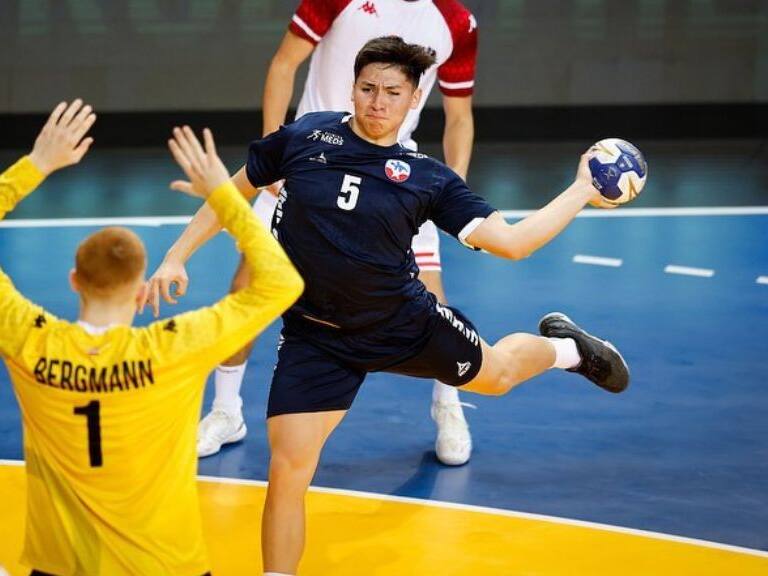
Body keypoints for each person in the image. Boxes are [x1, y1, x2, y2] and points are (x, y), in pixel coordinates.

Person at [159, 35, 630, 575]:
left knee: (497, 376)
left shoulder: (428, 179)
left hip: (404, 323)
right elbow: (232, 191)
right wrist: (177, 255)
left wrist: (579, 190)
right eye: (367, 88)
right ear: (351, 88)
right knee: (287, 471)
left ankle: (565, 349)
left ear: (413, 100)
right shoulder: (303, 138)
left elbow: (514, 242)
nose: (377, 102)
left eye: (391, 92)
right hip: (317, 337)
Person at [146, 0, 480, 464]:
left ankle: (449, 409)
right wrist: (275, 153)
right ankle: (226, 411)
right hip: (311, 165)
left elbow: (459, 117)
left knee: (434, 301)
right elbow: (284, 65)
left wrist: (447, 189)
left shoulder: (457, 21)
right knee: (247, 291)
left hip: (395, 180)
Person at [0, 101, 303, 575]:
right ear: (143, 288)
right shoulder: (175, 347)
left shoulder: (29, 340)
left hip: (61, 565)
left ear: (74, 280)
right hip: (166, 564)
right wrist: (226, 196)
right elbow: (283, 283)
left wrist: (37, 164)